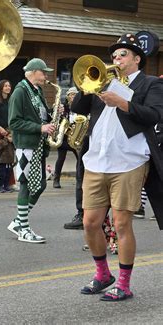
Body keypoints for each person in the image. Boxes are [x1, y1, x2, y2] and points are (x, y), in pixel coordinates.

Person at [74, 34, 163, 301]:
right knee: (90, 223)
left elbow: (154, 115)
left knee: (122, 223)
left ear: (137, 59)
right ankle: (103, 274)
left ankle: (123, 283)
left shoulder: (149, 84)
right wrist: (87, 85)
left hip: (129, 161)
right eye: (114, 56)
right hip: (98, 160)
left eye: (123, 55)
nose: (116, 60)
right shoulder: (104, 82)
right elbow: (77, 107)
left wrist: (122, 102)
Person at [7, 58, 57, 244]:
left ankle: (18, 221)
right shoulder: (20, 91)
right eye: (43, 72)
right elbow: (14, 122)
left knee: (41, 184)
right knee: (26, 185)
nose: (46, 75)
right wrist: (40, 128)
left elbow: (40, 114)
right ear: (33, 72)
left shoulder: (37, 90)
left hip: (38, 145)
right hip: (26, 145)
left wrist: (53, 113)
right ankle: (23, 229)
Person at [53, 87, 79, 188]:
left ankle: (79, 179)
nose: (73, 96)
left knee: (80, 159)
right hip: (64, 137)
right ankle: (56, 179)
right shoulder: (64, 107)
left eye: (75, 94)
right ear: (68, 96)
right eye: (71, 94)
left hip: (75, 137)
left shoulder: (80, 107)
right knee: (61, 158)